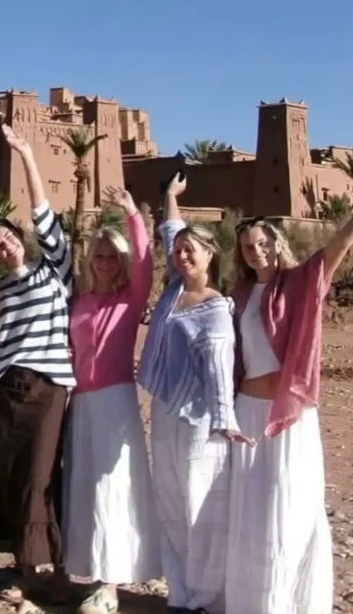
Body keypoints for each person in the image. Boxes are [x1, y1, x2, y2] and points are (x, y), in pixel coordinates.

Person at [223, 204, 353, 613]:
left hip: (289, 416)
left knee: (290, 505)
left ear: (276, 244)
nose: (257, 251)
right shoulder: (236, 296)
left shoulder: (298, 282)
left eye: (263, 243)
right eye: (248, 247)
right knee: (251, 511)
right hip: (247, 412)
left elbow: (335, 250)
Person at [0, 124, 74, 612]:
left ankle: (48, 571)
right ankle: (25, 567)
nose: (4, 247)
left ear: (19, 238)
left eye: (6, 238)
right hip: (4, 389)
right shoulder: (1, 291)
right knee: (13, 477)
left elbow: (43, 215)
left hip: (47, 386)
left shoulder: (54, 268)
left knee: (40, 476)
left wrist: (26, 154)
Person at [137, 173, 244, 614]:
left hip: (200, 421)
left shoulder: (215, 309)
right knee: (170, 502)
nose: (181, 257)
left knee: (200, 506)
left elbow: (219, 372)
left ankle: (207, 597)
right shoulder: (175, 289)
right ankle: (180, 594)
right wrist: (169, 198)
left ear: (209, 255)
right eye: (179, 252)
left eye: (190, 251)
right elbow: (167, 234)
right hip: (164, 410)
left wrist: (224, 420)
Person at [64, 187, 160, 613]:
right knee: (84, 486)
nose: (104, 262)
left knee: (112, 487)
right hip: (82, 404)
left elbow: (145, 264)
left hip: (116, 401)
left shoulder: (130, 298)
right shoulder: (80, 301)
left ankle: (110, 584)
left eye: (111, 256)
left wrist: (130, 213)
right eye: (98, 255)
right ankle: (87, 568)